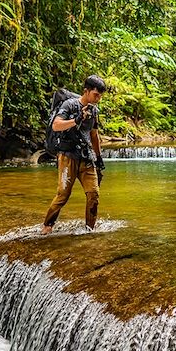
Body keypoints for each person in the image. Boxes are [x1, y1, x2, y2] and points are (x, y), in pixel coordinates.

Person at [41, 75, 107, 235]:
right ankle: (47, 225)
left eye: (100, 96)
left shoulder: (94, 110)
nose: (98, 99)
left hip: (87, 157)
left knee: (94, 194)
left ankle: (90, 229)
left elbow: (94, 135)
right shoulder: (69, 105)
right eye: (95, 95)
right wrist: (76, 120)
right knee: (63, 195)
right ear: (86, 91)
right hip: (67, 156)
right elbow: (56, 125)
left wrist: (99, 158)